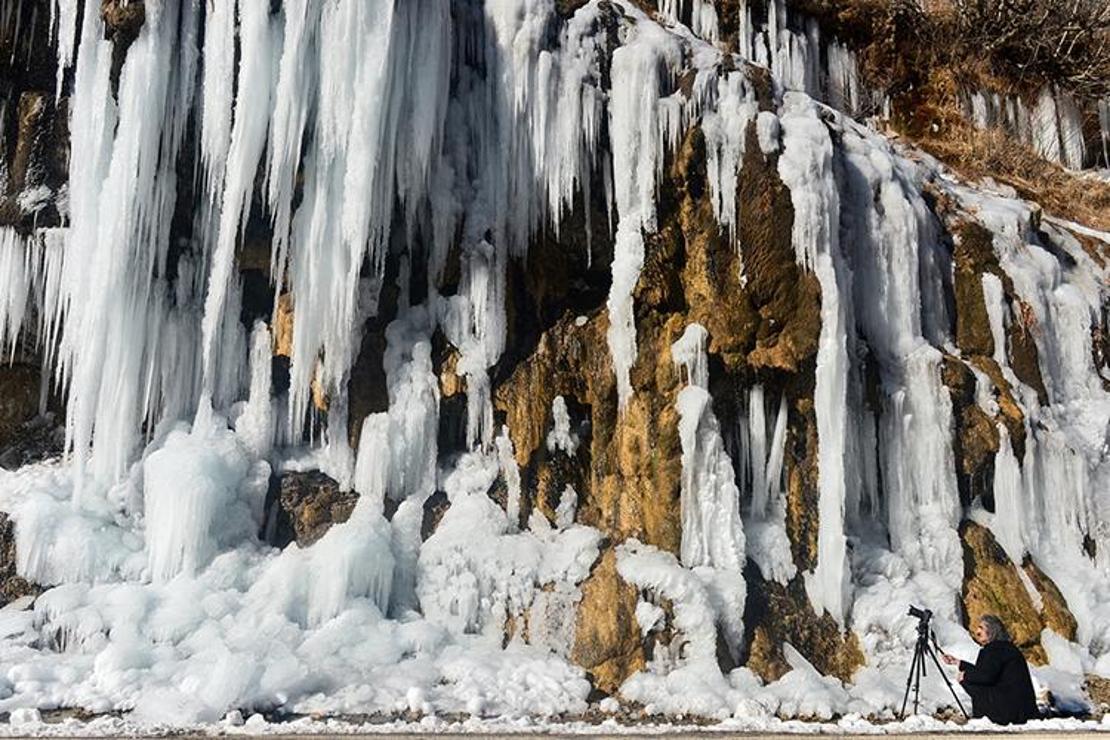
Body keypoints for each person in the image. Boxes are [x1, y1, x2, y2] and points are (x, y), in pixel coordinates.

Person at [941, 615, 1038, 724]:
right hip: (1022, 708)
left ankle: (987, 717)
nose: (977, 632)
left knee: (968, 680)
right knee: (969, 678)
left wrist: (965, 676)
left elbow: (986, 676)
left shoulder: (994, 650)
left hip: (1008, 710)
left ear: (992, 630)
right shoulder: (1005, 647)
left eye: (981, 628)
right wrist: (958, 663)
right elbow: (985, 671)